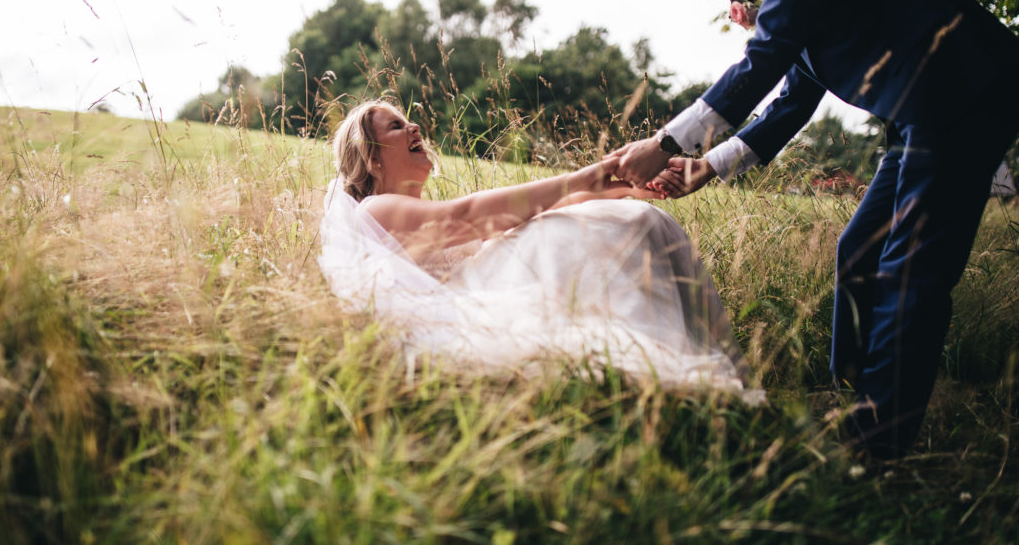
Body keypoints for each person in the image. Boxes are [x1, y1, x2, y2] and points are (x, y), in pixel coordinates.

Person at [611, 0, 1019, 457]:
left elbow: (765, 59)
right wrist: (707, 163)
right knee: (860, 248)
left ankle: (877, 442)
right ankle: (849, 394)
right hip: (918, 113)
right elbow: (792, 102)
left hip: (962, 97)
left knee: (910, 270)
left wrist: (665, 143)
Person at [317, 99, 763, 401]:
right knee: (592, 233)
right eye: (397, 126)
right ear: (372, 158)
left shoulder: (411, 208)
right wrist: (592, 173)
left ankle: (684, 367)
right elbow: (471, 215)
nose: (414, 126)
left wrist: (631, 187)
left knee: (637, 220)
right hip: (469, 312)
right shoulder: (374, 211)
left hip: (493, 290)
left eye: (407, 120)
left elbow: (530, 212)